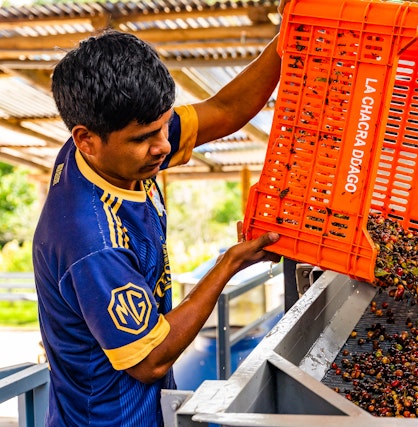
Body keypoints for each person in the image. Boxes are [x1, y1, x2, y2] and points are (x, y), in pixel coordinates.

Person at [32, 3, 289, 424]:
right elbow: (149, 360)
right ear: (86, 140)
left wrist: (291, 36)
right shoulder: (92, 242)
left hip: (148, 404)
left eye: (164, 125)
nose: (164, 147)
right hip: (110, 418)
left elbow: (226, 110)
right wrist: (229, 263)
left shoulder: (112, 142)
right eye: (145, 138)